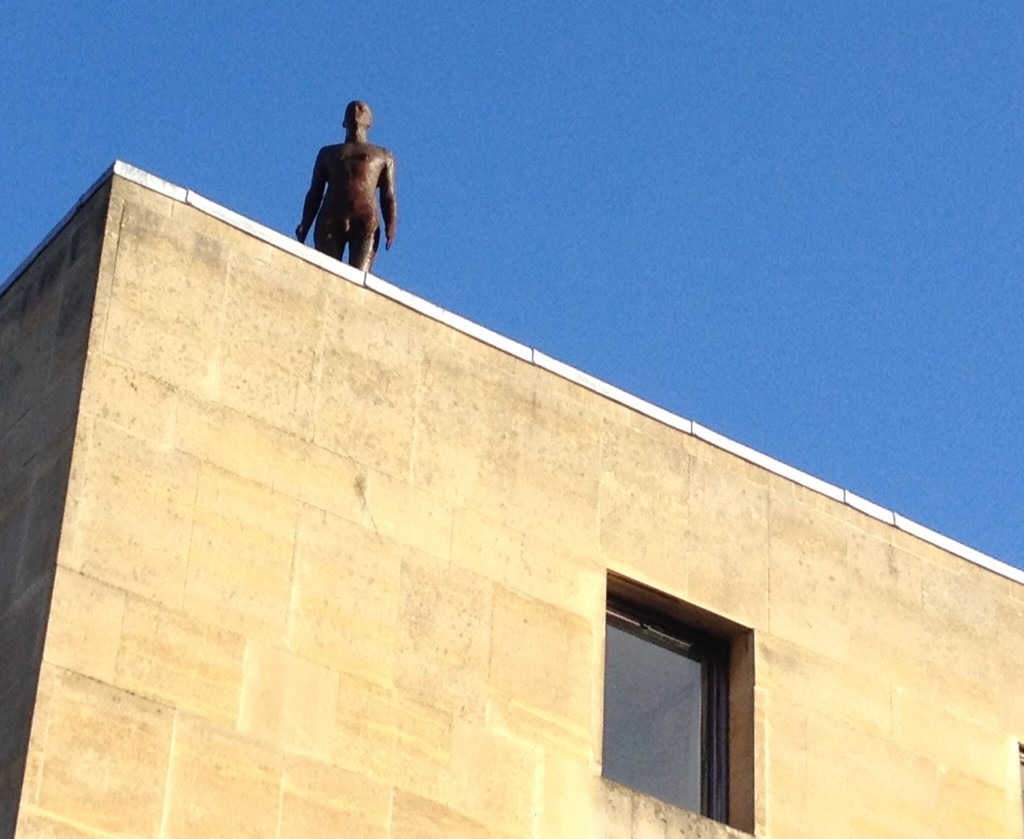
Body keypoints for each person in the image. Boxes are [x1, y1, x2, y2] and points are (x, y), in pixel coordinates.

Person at [296, 100, 397, 272]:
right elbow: (315, 192)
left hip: (365, 219)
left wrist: (390, 223)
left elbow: (388, 195)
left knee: (359, 279)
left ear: (370, 123)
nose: (357, 109)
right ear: (344, 122)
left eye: (362, 109)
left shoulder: (383, 155)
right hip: (330, 218)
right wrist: (305, 223)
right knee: (327, 274)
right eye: (352, 108)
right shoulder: (327, 153)